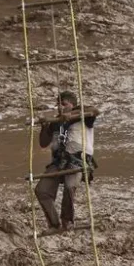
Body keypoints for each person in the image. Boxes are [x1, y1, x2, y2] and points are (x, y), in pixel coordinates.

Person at [34, 90, 98, 231]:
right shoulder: (56, 121)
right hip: (59, 162)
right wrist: (44, 126)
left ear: (73, 105)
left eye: (64, 104)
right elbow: (43, 143)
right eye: (58, 104)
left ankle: (67, 221)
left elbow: (95, 110)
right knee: (41, 190)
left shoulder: (82, 115)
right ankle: (54, 224)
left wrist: (72, 114)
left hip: (77, 160)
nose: (60, 107)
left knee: (70, 187)